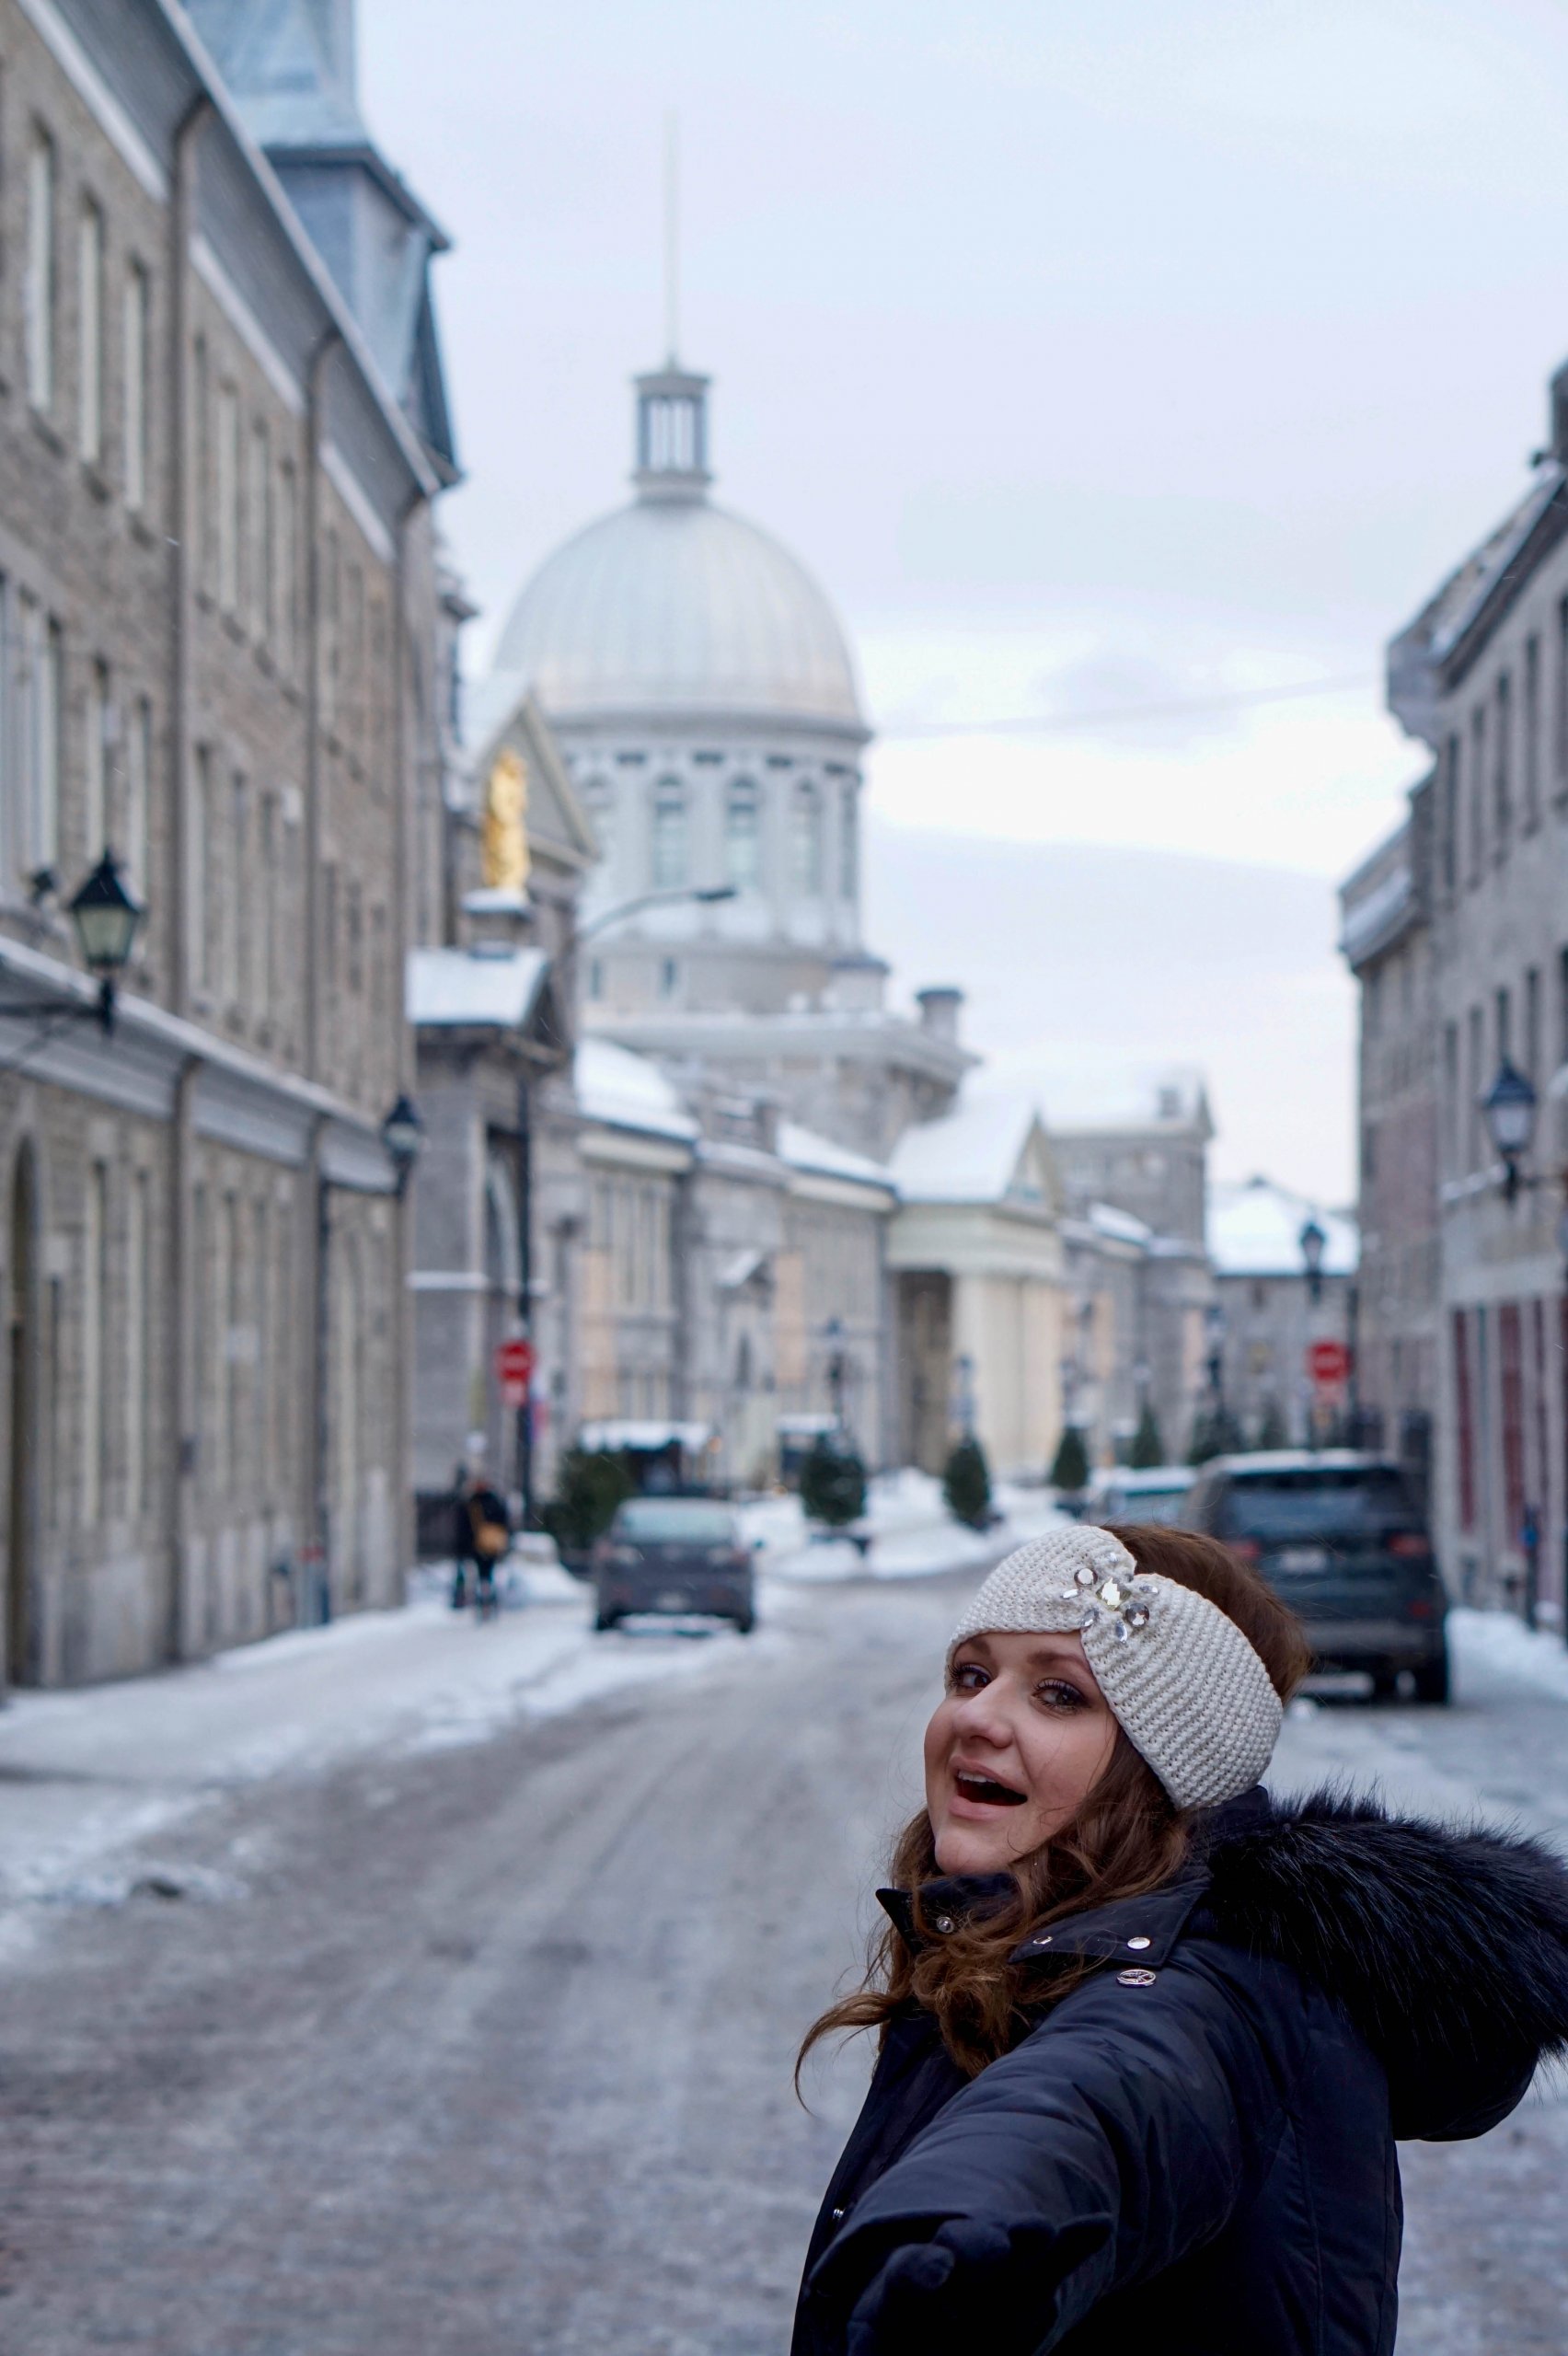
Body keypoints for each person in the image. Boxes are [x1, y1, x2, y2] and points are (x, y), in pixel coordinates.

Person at [792, 1522, 1568, 2356]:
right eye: (971, 1674)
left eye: (1060, 1695)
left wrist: (955, 2240)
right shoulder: (1041, 1934)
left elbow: (1095, 2104)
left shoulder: (1199, 1983)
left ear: (1167, 1766)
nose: (977, 1716)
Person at [452, 1466, 511, 1615]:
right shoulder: (479, 1502)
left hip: (483, 1544)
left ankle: (486, 1600)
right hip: (482, 1544)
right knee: (483, 1574)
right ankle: (485, 1599)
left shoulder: (479, 1502)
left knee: (485, 1573)